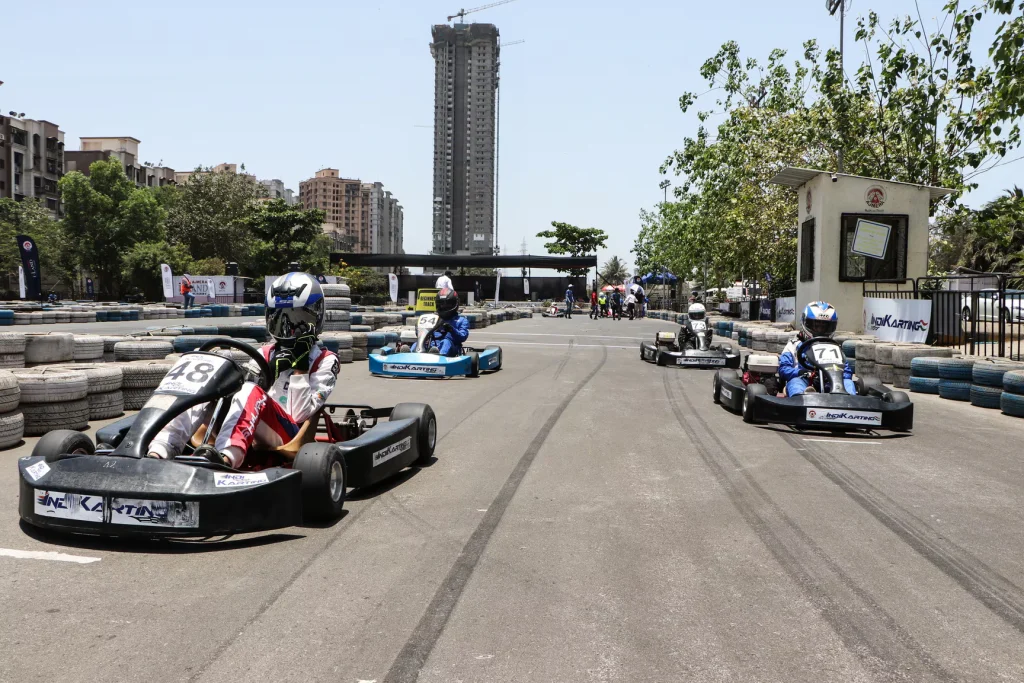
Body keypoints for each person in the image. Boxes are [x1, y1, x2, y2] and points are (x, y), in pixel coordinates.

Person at [148, 272, 339, 467]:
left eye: (298, 321)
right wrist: (265, 374)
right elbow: (239, 395)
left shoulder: (326, 361)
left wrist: (300, 368)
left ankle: (225, 459)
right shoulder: (265, 353)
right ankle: (160, 450)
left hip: (290, 435)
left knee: (249, 389)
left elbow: (299, 415)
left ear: (316, 317)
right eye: (281, 320)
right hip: (252, 427)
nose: (289, 329)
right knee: (205, 386)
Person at [779, 301, 856, 396]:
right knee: (796, 383)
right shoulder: (794, 345)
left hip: (832, 383)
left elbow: (847, 371)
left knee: (848, 383)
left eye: (824, 326)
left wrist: (834, 374)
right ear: (805, 323)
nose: (820, 330)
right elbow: (783, 369)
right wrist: (801, 372)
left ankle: (849, 404)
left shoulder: (835, 347)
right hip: (805, 381)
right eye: (816, 325)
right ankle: (804, 398)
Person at [407, 288, 469, 356]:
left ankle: (439, 357)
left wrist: (451, 329)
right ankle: (409, 355)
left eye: (447, 304)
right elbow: (421, 334)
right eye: (441, 304)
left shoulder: (461, 320)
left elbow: (463, 337)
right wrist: (420, 328)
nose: (444, 306)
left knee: (446, 342)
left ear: (455, 304)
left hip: (452, 348)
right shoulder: (434, 318)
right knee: (417, 344)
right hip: (432, 344)